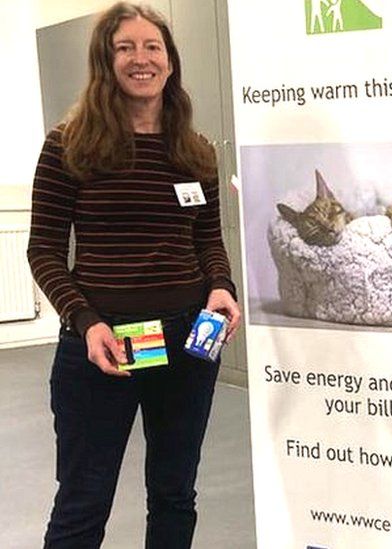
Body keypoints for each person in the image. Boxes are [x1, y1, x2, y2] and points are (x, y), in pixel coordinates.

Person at [26, 3, 241, 547]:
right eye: (126, 48)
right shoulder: (69, 145)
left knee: (175, 493)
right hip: (104, 345)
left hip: (188, 343)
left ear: (170, 64)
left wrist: (221, 286)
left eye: (153, 48)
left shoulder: (192, 151)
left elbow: (207, 240)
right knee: (83, 501)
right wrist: (85, 320)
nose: (141, 59)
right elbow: (44, 249)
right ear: (106, 60)